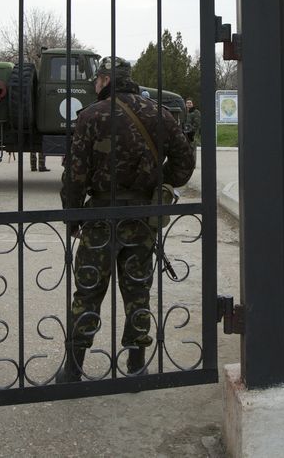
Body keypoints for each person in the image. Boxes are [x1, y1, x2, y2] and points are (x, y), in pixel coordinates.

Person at [58, 56, 195, 382]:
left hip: (101, 218)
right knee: (138, 292)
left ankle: (74, 369)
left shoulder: (91, 116)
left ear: (105, 79)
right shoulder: (158, 114)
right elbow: (185, 163)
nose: (94, 86)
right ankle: (136, 366)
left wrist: (72, 215)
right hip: (142, 217)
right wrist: (157, 181)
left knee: (88, 291)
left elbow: (74, 175)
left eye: (96, 80)